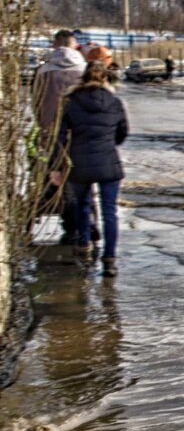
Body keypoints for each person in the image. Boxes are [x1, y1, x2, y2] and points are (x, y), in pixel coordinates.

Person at [53, 62, 129, 278]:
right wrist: (107, 142)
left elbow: (59, 138)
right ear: (105, 79)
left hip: (80, 163)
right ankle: (110, 260)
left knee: (83, 205)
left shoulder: (70, 103)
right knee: (109, 212)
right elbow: (122, 133)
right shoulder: (114, 102)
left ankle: (84, 245)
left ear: (83, 79)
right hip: (108, 161)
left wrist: (56, 167)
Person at [32, 29, 87, 244]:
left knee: (58, 179)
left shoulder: (44, 71)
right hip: (81, 133)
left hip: (51, 132)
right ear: (74, 45)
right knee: (83, 180)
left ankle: (69, 226)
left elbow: (35, 102)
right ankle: (86, 224)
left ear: (55, 45)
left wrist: (43, 126)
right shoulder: (83, 69)